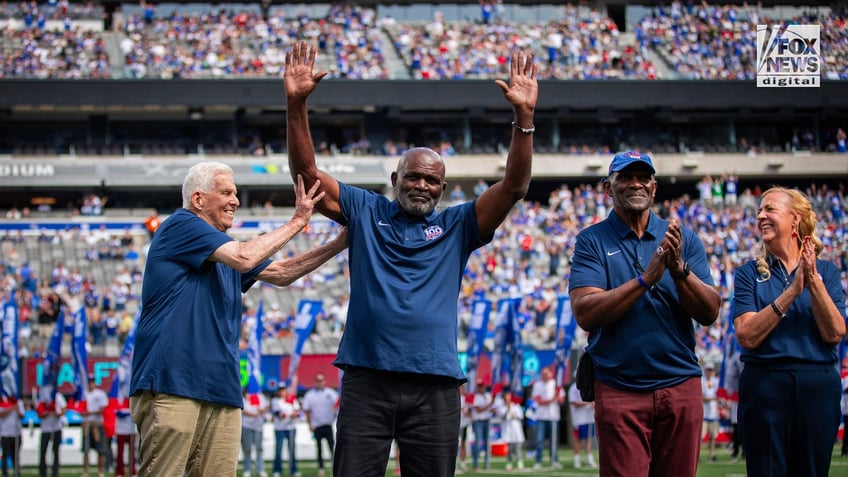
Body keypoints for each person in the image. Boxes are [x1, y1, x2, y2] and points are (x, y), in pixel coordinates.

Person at [285, 40, 538, 477]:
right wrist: (296, 107)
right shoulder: (365, 211)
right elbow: (307, 177)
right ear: (395, 179)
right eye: (414, 176)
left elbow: (514, 187)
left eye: (432, 180)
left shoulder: (460, 225)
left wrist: (524, 119)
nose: (422, 185)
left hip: (435, 384)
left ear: (443, 188)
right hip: (368, 378)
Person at [129, 162, 348, 477]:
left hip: (221, 387)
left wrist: (339, 244)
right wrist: (298, 220)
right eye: (226, 192)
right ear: (198, 199)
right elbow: (245, 256)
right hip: (172, 380)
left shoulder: (221, 250)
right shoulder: (181, 224)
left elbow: (282, 273)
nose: (235, 200)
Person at [569, 150, 721, 477]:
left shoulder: (682, 238)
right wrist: (646, 279)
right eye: (625, 177)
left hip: (680, 382)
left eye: (643, 178)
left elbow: (710, 312)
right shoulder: (591, 240)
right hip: (620, 385)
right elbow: (585, 312)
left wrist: (679, 271)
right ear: (608, 188)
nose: (635, 184)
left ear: (654, 187)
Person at [732, 186, 846, 477]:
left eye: (769, 209)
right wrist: (792, 291)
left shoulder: (827, 271)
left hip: (817, 386)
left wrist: (814, 282)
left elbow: (835, 332)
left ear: (794, 219)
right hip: (765, 385)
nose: (760, 216)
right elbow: (746, 335)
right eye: (760, 210)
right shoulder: (748, 273)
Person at [301, 373, 338, 477]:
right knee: (319, 448)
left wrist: (334, 415)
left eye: (321, 380)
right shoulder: (310, 395)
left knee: (332, 448)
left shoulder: (331, 393)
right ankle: (321, 468)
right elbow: (307, 411)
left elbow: (337, 405)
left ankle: (335, 466)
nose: (320, 382)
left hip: (327, 424)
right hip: (317, 425)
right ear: (315, 382)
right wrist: (309, 424)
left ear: (325, 381)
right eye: (318, 380)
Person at [530, 367, 563, 469]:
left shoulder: (555, 384)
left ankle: (554, 460)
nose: (544, 376)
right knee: (539, 440)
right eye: (543, 374)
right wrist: (551, 399)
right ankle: (538, 461)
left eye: (546, 374)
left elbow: (561, 400)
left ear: (550, 374)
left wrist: (556, 398)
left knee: (553, 441)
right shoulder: (537, 385)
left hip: (553, 417)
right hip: (541, 417)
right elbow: (538, 400)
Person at [82, 377, 112, 477]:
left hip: (97, 425)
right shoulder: (84, 394)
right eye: (89, 382)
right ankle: (86, 471)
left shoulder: (100, 394)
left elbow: (103, 409)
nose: (91, 384)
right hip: (87, 424)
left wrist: (90, 412)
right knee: (86, 450)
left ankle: (100, 471)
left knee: (101, 450)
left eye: (92, 382)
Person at [270, 384, 300, 477]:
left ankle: (293, 470)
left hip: (291, 428)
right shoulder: (275, 401)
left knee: (292, 449)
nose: (282, 392)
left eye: (283, 390)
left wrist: (293, 413)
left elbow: (297, 412)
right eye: (280, 390)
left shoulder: (292, 399)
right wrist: (290, 414)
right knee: (279, 449)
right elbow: (279, 414)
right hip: (280, 428)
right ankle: (277, 470)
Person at [567, 381, 596, 469]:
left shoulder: (590, 386)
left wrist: (593, 404)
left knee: (588, 439)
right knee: (578, 440)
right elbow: (574, 403)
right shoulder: (573, 388)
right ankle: (576, 459)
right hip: (579, 419)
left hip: (589, 417)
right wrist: (587, 403)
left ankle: (589, 459)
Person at [241, 387, 269, 477]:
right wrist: (253, 414)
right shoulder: (242, 397)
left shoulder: (260, 396)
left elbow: (266, 407)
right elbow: (243, 410)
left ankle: (260, 469)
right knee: (247, 449)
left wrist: (262, 410)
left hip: (258, 427)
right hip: (246, 426)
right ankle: (247, 470)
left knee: (259, 448)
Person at [37, 392, 66, 477]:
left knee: (56, 451)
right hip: (45, 429)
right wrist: (45, 414)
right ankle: (42, 472)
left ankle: (55, 472)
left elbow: (64, 408)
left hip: (56, 427)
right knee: (43, 451)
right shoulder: (42, 396)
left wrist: (58, 414)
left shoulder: (58, 396)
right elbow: (39, 412)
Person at [496, 389, 525, 471]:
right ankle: (509, 463)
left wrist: (514, 413)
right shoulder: (501, 408)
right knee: (510, 449)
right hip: (508, 430)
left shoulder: (516, 406)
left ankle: (520, 462)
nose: (508, 400)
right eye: (506, 398)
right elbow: (503, 417)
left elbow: (521, 416)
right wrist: (508, 409)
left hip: (516, 430)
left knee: (517, 447)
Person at [469, 382, 493, 471]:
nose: (481, 388)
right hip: (478, 421)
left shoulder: (488, 395)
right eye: (480, 387)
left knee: (487, 444)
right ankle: (476, 464)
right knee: (478, 443)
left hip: (487, 420)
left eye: (482, 387)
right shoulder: (475, 396)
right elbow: (478, 410)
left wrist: (492, 407)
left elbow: (491, 408)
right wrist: (488, 405)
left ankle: (487, 465)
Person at [113, 395, 137, 477]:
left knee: (132, 453)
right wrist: (129, 413)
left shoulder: (134, 399)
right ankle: (119, 472)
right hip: (121, 431)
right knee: (120, 453)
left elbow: (136, 412)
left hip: (131, 431)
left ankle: (132, 470)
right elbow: (118, 413)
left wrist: (127, 413)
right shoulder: (118, 399)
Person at [0, 395, 24, 477]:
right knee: (5, 455)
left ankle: (17, 473)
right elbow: (1, 415)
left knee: (16, 455)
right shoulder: (2, 401)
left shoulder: (18, 402)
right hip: (5, 433)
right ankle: (4, 473)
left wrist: (16, 409)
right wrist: (12, 408)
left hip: (16, 433)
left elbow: (22, 415)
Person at [701, 363, 719, 462]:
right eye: (708, 370)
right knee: (701, 437)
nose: (709, 372)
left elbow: (718, 394)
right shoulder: (702, 381)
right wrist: (713, 398)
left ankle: (712, 454)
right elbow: (703, 397)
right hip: (704, 414)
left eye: (711, 370)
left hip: (713, 413)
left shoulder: (715, 381)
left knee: (713, 436)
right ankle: (698, 455)